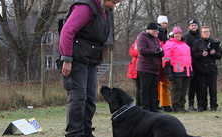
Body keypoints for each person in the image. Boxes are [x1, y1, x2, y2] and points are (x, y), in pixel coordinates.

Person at [59, 0, 121, 136]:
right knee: (78, 97)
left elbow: (100, 39)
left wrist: (98, 58)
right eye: (113, 2)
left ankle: (86, 131)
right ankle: (74, 133)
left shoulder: (105, 12)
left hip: (90, 61)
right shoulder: (85, 8)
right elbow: (67, 31)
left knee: (90, 98)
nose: (113, 6)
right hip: (76, 59)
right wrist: (67, 59)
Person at [191, 26, 222, 112]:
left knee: (213, 89)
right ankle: (202, 106)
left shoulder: (214, 43)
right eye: (204, 32)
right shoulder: (197, 43)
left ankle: (213, 106)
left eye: (207, 31)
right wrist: (201, 54)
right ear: (201, 33)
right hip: (200, 70)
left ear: (210, 33)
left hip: (211, 69)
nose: (206, 33)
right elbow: (193, 55)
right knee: (202, 89)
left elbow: (220, 55)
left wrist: (214, 53)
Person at [162, 26, 193, 113]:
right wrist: (168, 72)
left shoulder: (185, 45)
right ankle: (176, 108)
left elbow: (189, 59)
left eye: (179, 33)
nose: (178, 35)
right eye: (176, 34)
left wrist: (191, 70)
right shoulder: (169, 44)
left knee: (183, 91)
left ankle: (182, 107)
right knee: (176, 90)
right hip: (176, 71)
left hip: (186, 71)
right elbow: (166, 59)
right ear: (173, 35)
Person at [136, 22, 164, 112]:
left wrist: (161, 53)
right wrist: (155, 50)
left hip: (155, 68)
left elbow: (160, 49)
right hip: (145, 68)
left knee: (154, 90)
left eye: (156, 31)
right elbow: (142, 50)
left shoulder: (155, 39)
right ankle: (146, 108)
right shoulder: (142, 37)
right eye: (153, 30)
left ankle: (153, 108)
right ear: (148, 29)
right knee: (145, 89)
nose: (155, 32)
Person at [184, 19, 201, 111]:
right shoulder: (187, 36)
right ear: (189, 27)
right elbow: (186, 49)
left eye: (195, 25)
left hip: (201, 63)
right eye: (192, 25)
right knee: (192, 85)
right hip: (192, 62)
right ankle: (191, 103)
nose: (194, 27)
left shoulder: (200, 35)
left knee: (200, 85)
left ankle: (200, 103)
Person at [156, 15, 172, 112]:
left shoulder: (164, 33)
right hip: (161, 61)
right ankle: (164, 104)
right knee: (162, 83)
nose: (164, 25)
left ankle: (159, 103)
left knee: (162, 83)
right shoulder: (160, 33)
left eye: (166, 23)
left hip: (163, 60)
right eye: (163, 23)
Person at [127, 40, 141, 107]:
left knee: (139, 87)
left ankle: (139, 104)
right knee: (139, 87)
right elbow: (133, 52)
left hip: (136, 67)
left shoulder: (137, 42)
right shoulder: (138, 42)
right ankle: (138, 104)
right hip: (137, 68)